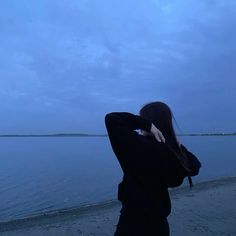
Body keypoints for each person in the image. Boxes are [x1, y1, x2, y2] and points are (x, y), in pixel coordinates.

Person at [104, 101, 190, 236]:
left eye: (142, 117)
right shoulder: (169, 152)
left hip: (132, 223)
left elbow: (112, 119)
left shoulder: (137, 145)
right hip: (159, 224)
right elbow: (190, 170)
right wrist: (180, 148)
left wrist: (146, 125)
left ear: (150, 120)